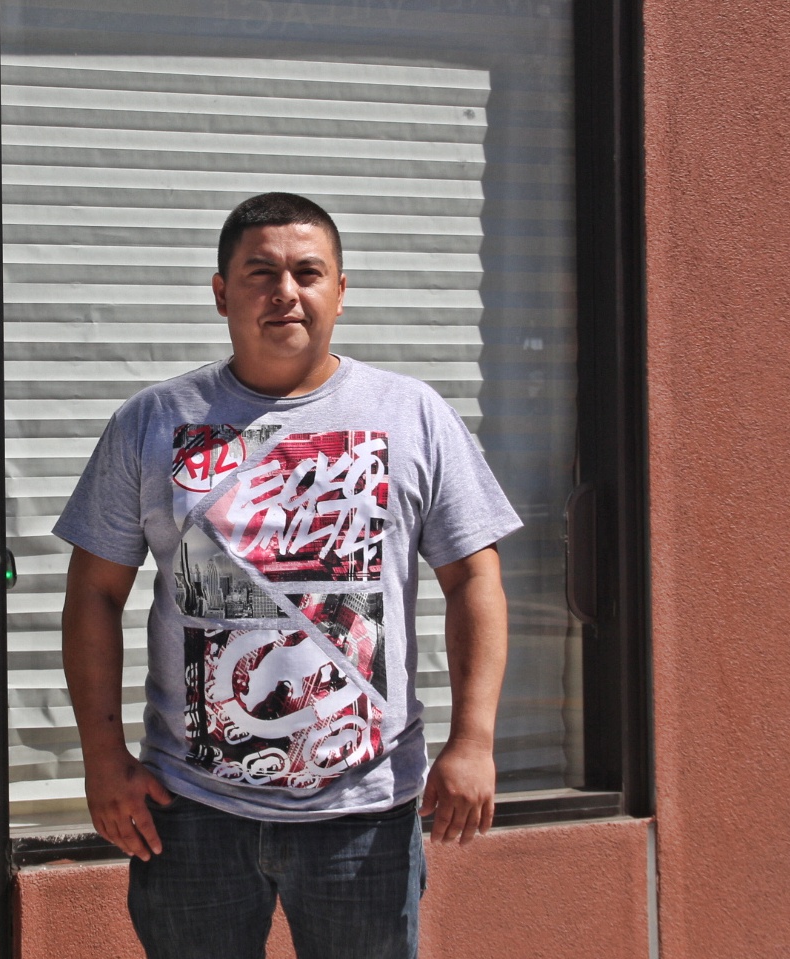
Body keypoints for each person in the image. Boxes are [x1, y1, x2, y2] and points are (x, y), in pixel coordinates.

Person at [56, 192, 522, 959]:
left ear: (340, 290)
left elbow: (474, 578)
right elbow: (93, 593)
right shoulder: (150, 420)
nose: (285, 291)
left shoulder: (412, 414)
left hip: (366, 809)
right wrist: (103, 758)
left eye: (308, 271)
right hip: (191, 808)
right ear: (219, 292)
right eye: (260, 272)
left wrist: (473, 739)